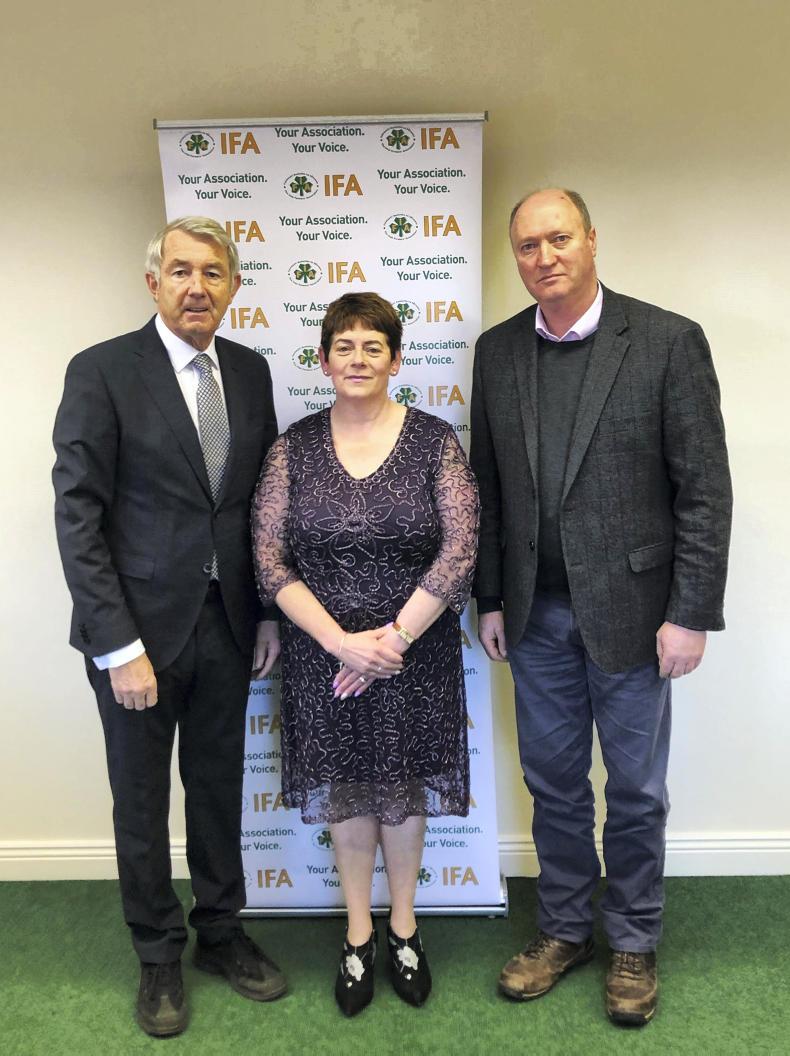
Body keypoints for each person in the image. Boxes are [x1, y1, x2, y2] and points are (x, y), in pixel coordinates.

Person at [469, 189, 732, 1026]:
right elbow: (488, 486)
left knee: (636, 790)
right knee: (552, 783)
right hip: (535, 615)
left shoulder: (665, 341)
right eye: (527, 245)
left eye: (558, 239)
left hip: (638, 615)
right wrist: (489, 595)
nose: (544, 257)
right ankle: (565, 929)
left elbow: (704, 492)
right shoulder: (498, 352)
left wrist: (690, 612)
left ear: (591, 239)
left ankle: (633, 940)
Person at [52, 216, 285, 1037]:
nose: (197, 286)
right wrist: (118, 646)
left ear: (233, 287)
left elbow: (259, 507)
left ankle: (221, 933)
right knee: (142, 801)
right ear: (153, 282)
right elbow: (78, 516)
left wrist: (265, 615)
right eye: (181, 270)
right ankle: (157, 954)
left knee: (219, 791)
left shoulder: (250, 372)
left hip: (227, 627)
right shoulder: (102, 371)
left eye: (213, 273)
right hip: (137, 637)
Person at [252, 291, 478, 1017]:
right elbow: (268, 558)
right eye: (343, 346)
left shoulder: (435, 441)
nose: (357, 358)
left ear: (396, 359)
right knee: (347, 790)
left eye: (372, 346)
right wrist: (339, 643)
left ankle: (404, 927)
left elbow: (460, 549)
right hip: (324, 659)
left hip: (416, 656)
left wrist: (393, 640)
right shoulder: (292, 448)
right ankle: (357, 933)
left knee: (404, 793)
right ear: (323, 360)